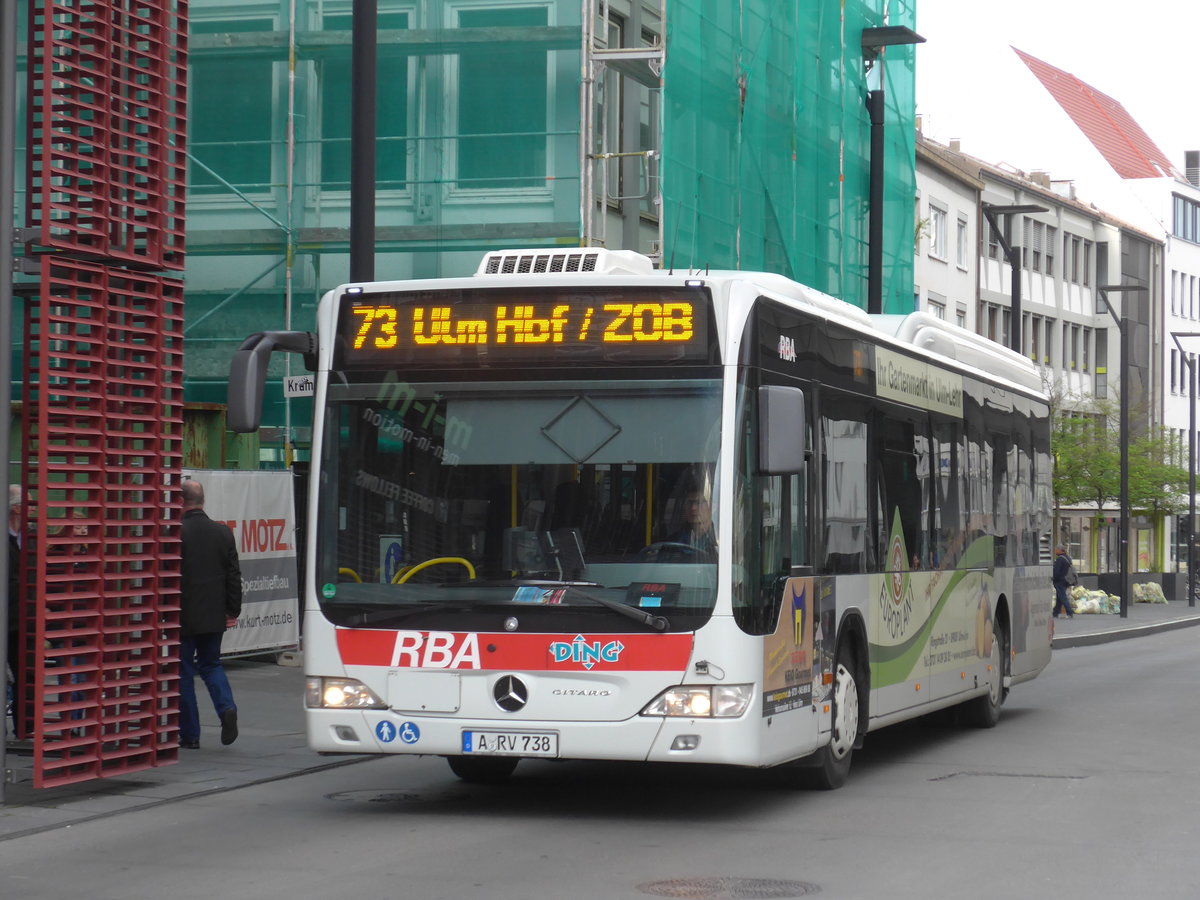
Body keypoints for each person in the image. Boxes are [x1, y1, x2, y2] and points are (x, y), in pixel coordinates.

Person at [179, 480, 242, 749]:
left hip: (181, 616)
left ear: (180, 502)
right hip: (214, 615)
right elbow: (233, 577)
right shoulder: (223, 533)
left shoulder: (175, 533)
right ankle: (226, 708)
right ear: (202, 500)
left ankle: (190, 735)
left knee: (182, 673)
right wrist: (232, 610)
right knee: (211, 664)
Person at [668, 489, 717, 558]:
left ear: (713, 506)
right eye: (689, 502)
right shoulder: (672, 542)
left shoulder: (723, 541)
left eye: (698, 502)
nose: (693, 508)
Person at [1052, 546, 1075, 619]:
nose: (1055, 551)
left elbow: (1057, 571)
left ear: (1060, 550)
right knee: (1059, 597)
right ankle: (1055, 612)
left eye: (1056, 550)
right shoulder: (1068, 558)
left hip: (1060, 581)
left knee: (1062, 596)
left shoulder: (1060, 559)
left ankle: (1069, 612)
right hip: (1066, 580)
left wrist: (1054, 578)